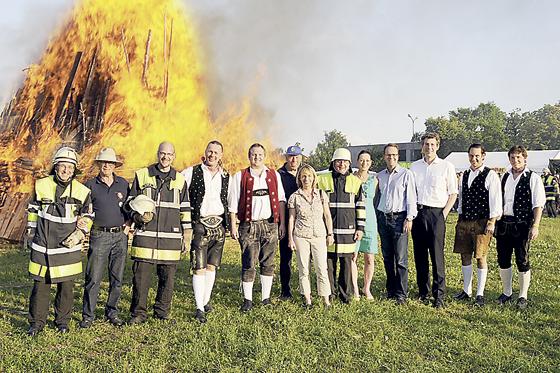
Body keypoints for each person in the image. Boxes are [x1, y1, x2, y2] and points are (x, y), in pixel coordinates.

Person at [26, 147, 93, 336]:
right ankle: (36, 323)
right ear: (55, 167)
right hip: (43, 245)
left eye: (70, 167)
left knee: (66, 287)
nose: (66, 171)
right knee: (40, 286)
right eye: (63, 166)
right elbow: (32, 210)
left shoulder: (82, 191)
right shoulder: (41, 185)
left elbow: (88, 214)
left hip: (67, 246)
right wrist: (31, 232)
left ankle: (62, 322)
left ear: (74, 170)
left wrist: (82, 228)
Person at [128, 142, 192, 324]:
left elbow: (185, 209)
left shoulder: (180, 180)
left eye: (169, 154)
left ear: (174, 156)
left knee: (167, 279)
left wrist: (186, 235)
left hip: (170, 239)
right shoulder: (142, 175)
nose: (166, 157)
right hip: (145, 238)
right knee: (141, 280)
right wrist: (137, 217)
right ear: (157, 154)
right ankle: (138, 314)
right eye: (163, 154)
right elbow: (130, 202)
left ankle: (162, 311)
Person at [228, 143, 286, 312]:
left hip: (270, 225)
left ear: (264, 156)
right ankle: (248, 300)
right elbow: (232, 204)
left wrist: (281, 223)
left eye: (260, 155)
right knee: (248, 263)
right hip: (248, 226)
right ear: (249, 156)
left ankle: (265, 298)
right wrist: (233, 226)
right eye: (254, 154)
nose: (257, 157)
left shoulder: (274, 175)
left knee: (268, 262)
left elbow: (281, 200)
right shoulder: (240, 176)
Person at [80, 148, 130, 328]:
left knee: (117, 278)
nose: (107, 165)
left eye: (110, 163)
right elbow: (83, 211)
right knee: (94, 277)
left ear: (115, 165)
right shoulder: (89, 185)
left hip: (120, 237)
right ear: (99, 164)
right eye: (104, 162)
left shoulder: (123, 184)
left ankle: (112, 312)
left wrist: (128, 226)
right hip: (99, 235)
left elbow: (130, 208)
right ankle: (88, 315)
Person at [181, 141, 230, 323]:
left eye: (216, 152)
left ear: (221, 155)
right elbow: (180, 191)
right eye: (210, 151)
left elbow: (229, 200)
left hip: (219, 225)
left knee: (212, 266)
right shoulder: (191, 172)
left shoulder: (226, 176)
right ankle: (199, 307)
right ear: (205, 152)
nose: (212, 155)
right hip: (199, 225)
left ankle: (206, 300)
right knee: (198, 267)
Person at [410, 133, 458, 308]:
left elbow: (453, 193)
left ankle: (439, 296)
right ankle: (423, 291)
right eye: (426, 144)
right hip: (418, 213)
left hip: (437, 214)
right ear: (422, 146)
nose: (429, 147)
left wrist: (443, 214)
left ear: (437, 146)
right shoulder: (414, 167)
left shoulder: (446, 166)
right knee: (420, 255)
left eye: (432, 144)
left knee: (437, 256)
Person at [495, 145, 545, 309]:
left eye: (518, 157)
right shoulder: (504, 176)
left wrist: (535, 225)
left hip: (522, 225)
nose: (515, 160)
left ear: (524, 158)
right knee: (503, 259)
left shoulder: (533, 178)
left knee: (522, 259)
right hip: (504, 224)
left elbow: (538, 204)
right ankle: (507, 292)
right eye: (512, 157)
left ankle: (523, 295)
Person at [452, 144, 502, 307]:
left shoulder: (490, 175)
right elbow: (462, 197)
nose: (474, 159)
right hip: (465, 220)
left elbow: (495, 200)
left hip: (482, 222)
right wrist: (459, 217)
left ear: (483, 156)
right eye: (471, 156)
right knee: (465, 255)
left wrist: (492, 222)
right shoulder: (464, 174)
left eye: (477, 156)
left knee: (480, 257)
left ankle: (480, 293)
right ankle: (467, 291)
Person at [317, 148, 365, 304]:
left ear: (349, 164)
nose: (341, 164)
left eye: (345, 162)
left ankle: (344, 295)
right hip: (327, 231)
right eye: (338, 161)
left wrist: (360, 228)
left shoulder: (356, 182)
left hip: (348, 231)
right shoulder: (322, 180)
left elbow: (360, 206)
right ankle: (329, 293)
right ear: (333, 163)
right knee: (328, 264)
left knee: (346, 264)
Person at [287, 164, 334, 307]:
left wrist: (330, 233)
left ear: (314, 178)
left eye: (309, 176)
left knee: (322, 268)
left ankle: (326, 299)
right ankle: (307, 299)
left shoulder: (321, 194)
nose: (306, 179)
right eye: (303, 176)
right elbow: (291, 219)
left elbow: (327, 215)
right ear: (300, 179)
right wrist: (290, 238)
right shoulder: (295, 197)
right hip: (301, 235)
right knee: (304, 268)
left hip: (319, 235)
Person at [375, 143, 417, 305]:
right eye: (388, 155)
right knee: (387, 257)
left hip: (400, 219)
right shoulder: (380, 176)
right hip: (383, 219)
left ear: (397, 156)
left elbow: (411, 197)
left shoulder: (406, 174)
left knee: (400, 259)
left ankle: (401, 294)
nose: (391, 157)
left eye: (394, 155)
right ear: (384, 156)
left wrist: (410, 218)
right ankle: (391, 290)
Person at [351, 150, 378, 300]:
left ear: (371, 162)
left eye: (367, 160)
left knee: (369, 257)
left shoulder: (375, 180)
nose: (364, 163)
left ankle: (366, 288)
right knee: (353, 256)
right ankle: (354, 288)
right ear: (357, 161)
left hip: (370, 221)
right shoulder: (351, 179)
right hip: (354, 220)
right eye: (362, 160)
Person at [277, 144, 303, 299]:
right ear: (286, 157)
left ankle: (304, 289)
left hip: (303, 223)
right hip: (286, 222)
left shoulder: (305, 173)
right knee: (285, 258)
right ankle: (285, 291)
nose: (294, 160)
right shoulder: (279, 175)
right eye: (291, 156)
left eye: (297, 157)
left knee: (304, 257)